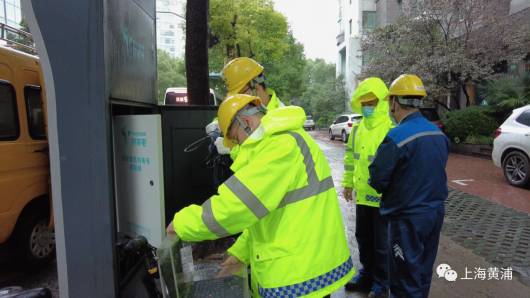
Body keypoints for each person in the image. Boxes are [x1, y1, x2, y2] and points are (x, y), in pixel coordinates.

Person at [167, 94, 354, 298]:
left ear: (246, 122)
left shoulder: (279, 147)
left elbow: (236, 207)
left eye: (236, 138)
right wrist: (241, 253)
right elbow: (265, 214)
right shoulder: (288, 139)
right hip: (303, 265)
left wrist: (182, 224)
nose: (238, 146)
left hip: (297, 275)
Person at [367, 74, 450, 298]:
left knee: (404, 278)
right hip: (434, 214)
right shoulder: (438, 133)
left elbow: (377, 179)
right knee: (422, 272)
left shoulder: (396, 136)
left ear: (394, 103)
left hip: (407, 218)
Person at [341, 78, 393, 298]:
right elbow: (351, 158)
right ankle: (367, 276)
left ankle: (382, 283)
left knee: (383, 243)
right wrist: (347, 183)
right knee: (363, 238)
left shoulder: (390, 127)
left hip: (383, 198)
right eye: (363, 103)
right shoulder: (358, 128)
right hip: (362, 196)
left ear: (381, 101)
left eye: (371, 102)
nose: (367, 107)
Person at [210, 57, 286, 160]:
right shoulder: (251, 109)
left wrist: (233, 150)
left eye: (240, 94)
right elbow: (234, 113)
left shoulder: (281, 117)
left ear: (257, 88)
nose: (237, 100)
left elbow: (266, 157)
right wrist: (220, 123)